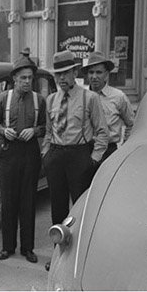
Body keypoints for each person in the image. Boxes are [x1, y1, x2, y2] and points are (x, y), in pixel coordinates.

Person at [0, 53, 46, 263]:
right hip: (8, 152)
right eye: (23, 78)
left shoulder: (39, 99)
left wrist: (36, 131)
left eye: (30, 78)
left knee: (28, 201)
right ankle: (8, 247)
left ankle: (28, 248)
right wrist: (4, 131)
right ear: (15, 78)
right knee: (9, 200)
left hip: (29, 153)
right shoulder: (4, 98)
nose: (27, 82)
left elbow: (46, 127)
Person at [42, 50, 109, 228]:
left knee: (80, 206)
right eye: (58, 74)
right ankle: (59, 250)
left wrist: (93, 159)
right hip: (55, 156)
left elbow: (102, 131)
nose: (61, 78)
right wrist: (46, 154)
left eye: (66, 73)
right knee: (57, 207)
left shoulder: (90, 98)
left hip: (79, 156)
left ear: (75, 73)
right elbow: (48, 131)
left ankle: (78, 251)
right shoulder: (50, 100)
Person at [83, 51, 134, 162]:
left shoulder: (118, 97)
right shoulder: (82, 97)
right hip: (85, 151)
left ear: (106, 74)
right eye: (91, 72)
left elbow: (131, 124)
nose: (94, 77)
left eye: (99, 72)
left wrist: (124, 149)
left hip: (109, 152)